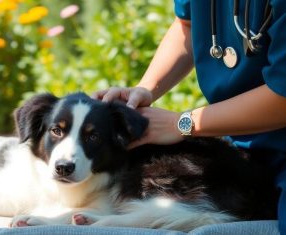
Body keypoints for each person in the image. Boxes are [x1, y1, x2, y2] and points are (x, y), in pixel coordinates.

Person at [92, 0, 286, 233]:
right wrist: (144, 90)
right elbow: (187, 24)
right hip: (240, 151)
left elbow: (282, 97)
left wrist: (181, 124)